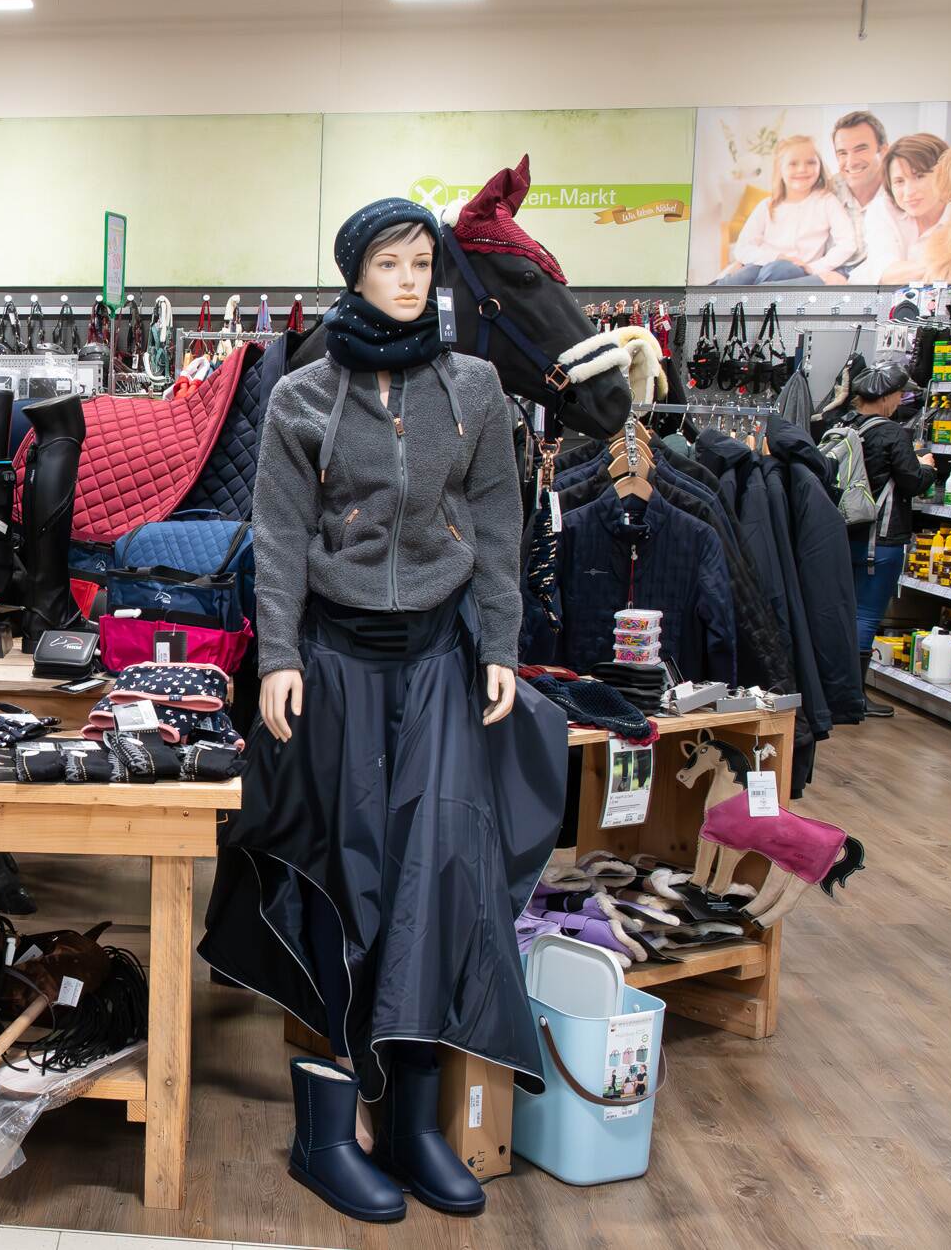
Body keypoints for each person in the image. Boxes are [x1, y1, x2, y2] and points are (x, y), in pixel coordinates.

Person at [198, 199, 565, 1224]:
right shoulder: (304, 394)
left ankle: (411, 1123)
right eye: (389, 264)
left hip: (440, 666)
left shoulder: (476, 389)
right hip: (335, 665)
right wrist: (275, 658)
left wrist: (500, 644)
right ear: (354, 275)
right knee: (341, 874)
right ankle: (326, 1131)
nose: (410, 280)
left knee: (436, 878)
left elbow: (496, 522)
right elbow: (275, 536)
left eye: (421, 263)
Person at [833, 354, 938, 716]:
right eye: (899, 396)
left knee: (844, 610)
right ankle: (855, 697)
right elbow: (910, 482)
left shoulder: (843, 424)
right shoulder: (891, 433)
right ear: (888, 396)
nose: (901, 402)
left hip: (843, 534)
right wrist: (926, 467)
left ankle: (834, 688)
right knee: (865, 614)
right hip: (881, 539)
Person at [715, 135, 857, 285]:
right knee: (743, 275)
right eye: (793, 164)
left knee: (781, 269)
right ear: (780, 168)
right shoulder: (767, 205)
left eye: (811, 162)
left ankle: (753, 300)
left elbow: (848, 243)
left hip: (797, 271)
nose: (802, 169)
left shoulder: (826, 201)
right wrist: (776, 257)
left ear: (820, 166)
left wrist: (815, 267)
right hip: (762, 264)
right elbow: (743, 248)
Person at [854, 133, 950, 285]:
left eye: (919, 176)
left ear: (945, 174)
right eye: (899, 181)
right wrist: (949, 269)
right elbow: (887, 273)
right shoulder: (882, 209)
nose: (909, 192)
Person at [819, 109, 889, 283]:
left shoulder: (900, 193)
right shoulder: (826, 191)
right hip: (830, 281)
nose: (851, 162)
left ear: (884, 150)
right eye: (842, 153)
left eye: (861, 149)